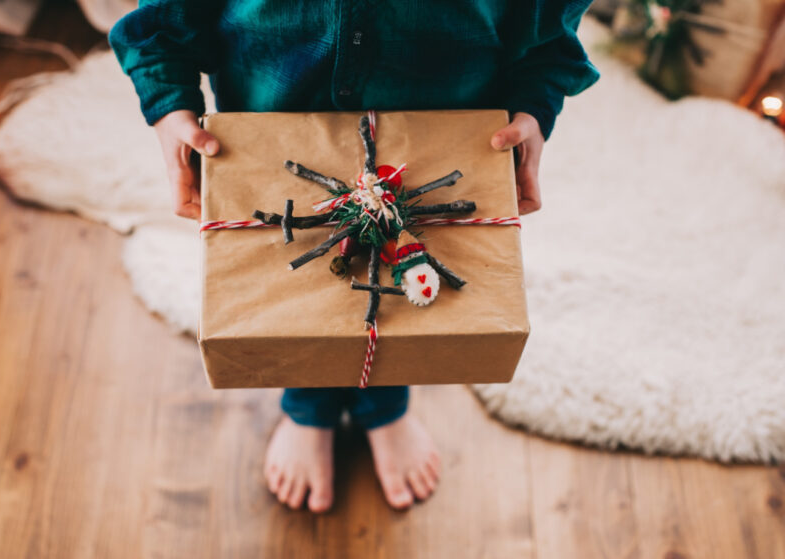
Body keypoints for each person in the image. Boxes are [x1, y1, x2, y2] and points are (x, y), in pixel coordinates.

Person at [109, 0, 598, 513]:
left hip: (441, 118)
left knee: (411, 287)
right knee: (298, 284)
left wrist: (536, 100)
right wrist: (168, 97)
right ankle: (308, 406)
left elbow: (547, 27)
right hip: (270, 112)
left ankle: (384, 403)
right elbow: (163, 18)